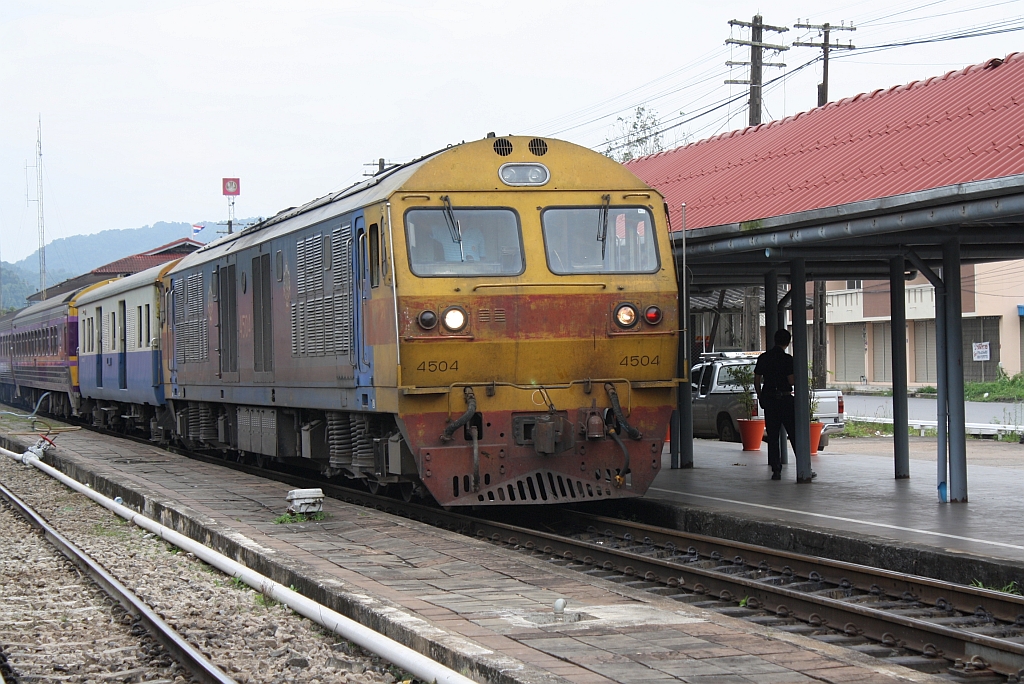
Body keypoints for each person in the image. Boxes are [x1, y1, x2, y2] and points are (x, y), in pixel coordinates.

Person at [754, 329, 797, 480]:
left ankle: (776, 469)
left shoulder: (764, 358)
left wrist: (761, 396)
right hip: (785, 400)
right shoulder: (787, 359)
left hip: (770, 400)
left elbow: (757, 380)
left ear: (774, 340)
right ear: (788, 342)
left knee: (773, 436)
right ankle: (803, 466)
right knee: (794, 434)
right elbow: (791, 380)